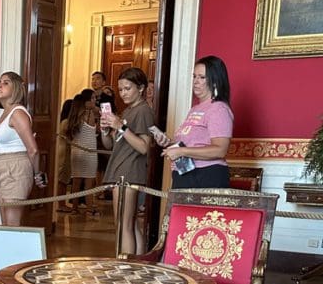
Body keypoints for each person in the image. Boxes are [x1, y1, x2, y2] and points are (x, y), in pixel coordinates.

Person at [152, 55, 233, 188]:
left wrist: (182, 151)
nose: (195, 81)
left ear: (214, 81)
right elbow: (193, 143)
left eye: (201, 77)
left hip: (206, 175)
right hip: (185, 173)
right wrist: (170, 143)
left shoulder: (219, 108)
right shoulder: (195, 109)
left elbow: (220, 150)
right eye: (194, 76)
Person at [100, 66, 154, 254]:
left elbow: (143, 146)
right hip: (121, 169)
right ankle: (137, 265)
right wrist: (106, 130)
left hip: (129, 172)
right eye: (121, 89)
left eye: (127, 88)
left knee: (124, 225)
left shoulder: (143, 111)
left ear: (140, 88)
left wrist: (120, 127)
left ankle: (126, 267)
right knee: (128, 224)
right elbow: (110, 145)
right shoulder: (128, 111)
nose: (123, 93)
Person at [0, 71, 41, 227]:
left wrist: (38, 173)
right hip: (3, 168)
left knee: (12, 225)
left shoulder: (18, 113)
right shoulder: (5, 112)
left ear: (17, 89)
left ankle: (14, 252)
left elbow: (33, 149)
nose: (0, 85)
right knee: (6, 223)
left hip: (16, 168)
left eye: (6, 83)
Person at [65, 89, 99, 215]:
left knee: (76, 182)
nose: (95, 101)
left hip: (76, 151)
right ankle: (89, 208)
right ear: (87, 101)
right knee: (89, 183)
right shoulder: (90, 114)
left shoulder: (75, 115)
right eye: (93, 98)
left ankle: (74, 208)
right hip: (89, 151)